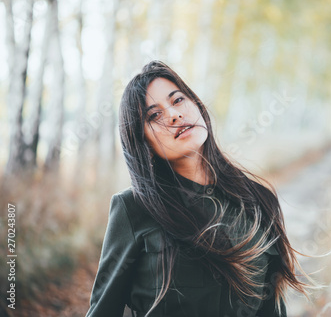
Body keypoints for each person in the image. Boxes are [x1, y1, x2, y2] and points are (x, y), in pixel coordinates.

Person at [86, 61, 310, 317]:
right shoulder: (134, 209)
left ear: (197, 106)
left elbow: (271, 309)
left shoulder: (259, 200)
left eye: (178, 100)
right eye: (154, 115)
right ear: (143, 143)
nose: (174, 115)